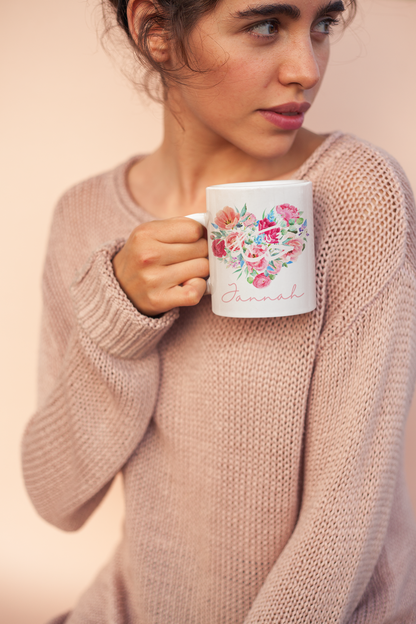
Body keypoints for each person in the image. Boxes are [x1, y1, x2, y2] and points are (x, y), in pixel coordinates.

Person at [22, 0, 416, 621]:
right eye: (265, 25)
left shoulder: (358, 193)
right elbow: (56, 497)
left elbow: (348, 509)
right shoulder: (84, 216)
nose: (306, 69)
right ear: (154, 29)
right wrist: (118, 318)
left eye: (323, 24)